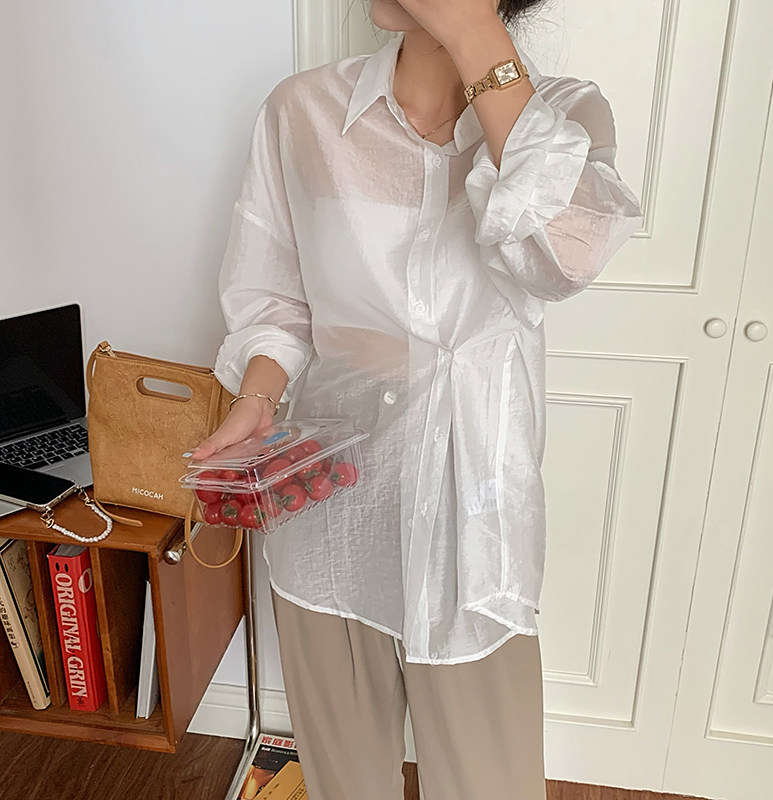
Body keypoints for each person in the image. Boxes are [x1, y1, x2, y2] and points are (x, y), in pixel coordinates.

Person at [191, 0, 642, 797]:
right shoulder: (303, 110)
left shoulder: (563, 116)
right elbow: (275, 297)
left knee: (487, 783)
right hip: (331, 504)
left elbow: (562, 261)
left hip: (472, 523)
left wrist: (473, 32)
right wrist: (258, 395)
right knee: (346, 780)